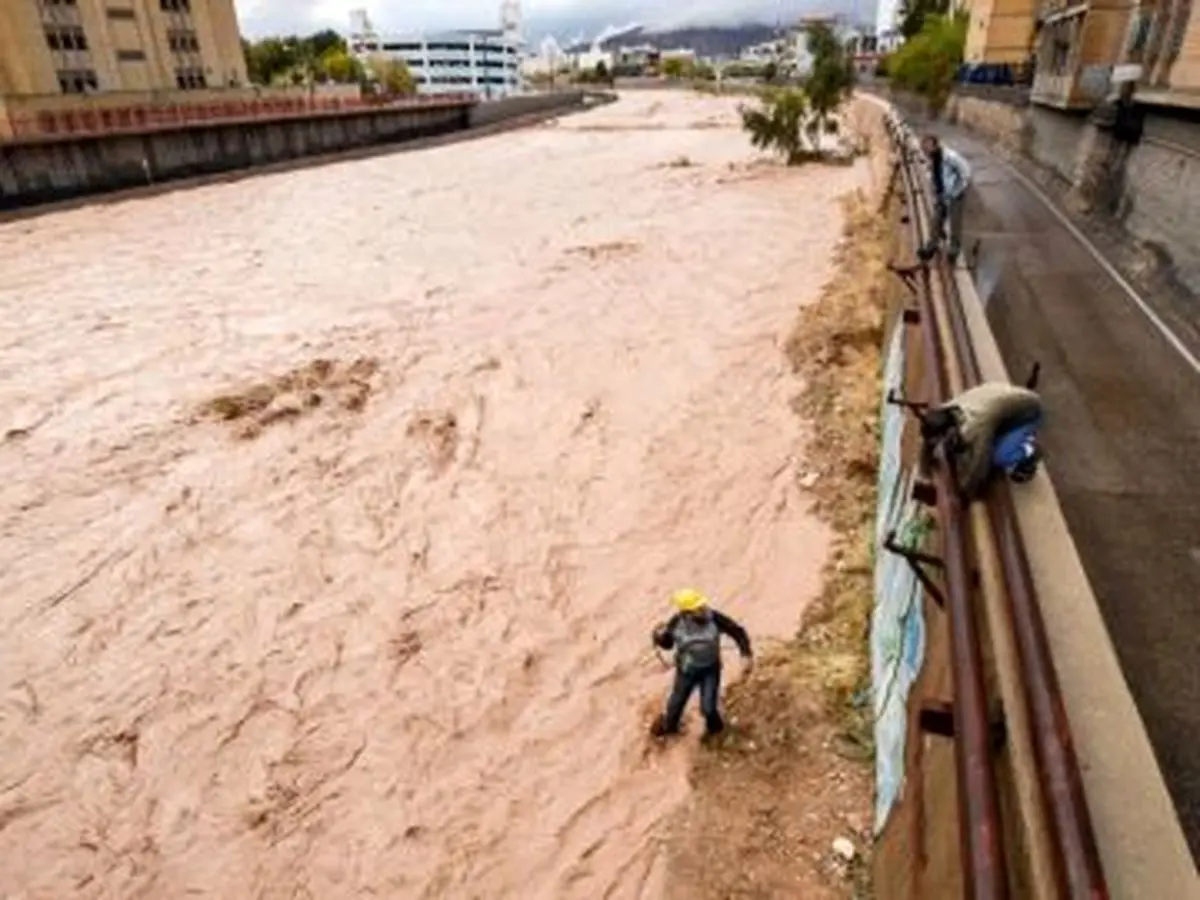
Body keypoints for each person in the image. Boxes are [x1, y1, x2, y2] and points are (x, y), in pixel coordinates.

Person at [649, 589, 753, 739]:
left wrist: (745, 654)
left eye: (702, 606)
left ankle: (716, 734)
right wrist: (660, 637)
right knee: (673, 709)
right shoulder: (676, 623)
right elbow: (668, 644)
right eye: (697, 609)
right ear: (686, 613)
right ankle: (669, 730)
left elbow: (737, 631)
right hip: (686, 672)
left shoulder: (714, 618)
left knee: (708, 709)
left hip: (710, 671)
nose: (702, 610)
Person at [919, 381, 1043, 501]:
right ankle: (1005, 433)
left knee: (998, 457)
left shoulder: (976, 424)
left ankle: (1029, 450)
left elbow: (979, 464)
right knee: (970, 444)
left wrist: (964, 494)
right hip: (1000, 401)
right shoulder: (946, 410)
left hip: (1029, 411)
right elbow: (930, 439)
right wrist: (924, 473)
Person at [917, 133, 972, 264]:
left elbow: (966, 172)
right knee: (936, 221)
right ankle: (931, 247)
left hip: (955, 194)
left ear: (935, 145)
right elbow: (933, 176)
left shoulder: (950, 157)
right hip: (941, 194)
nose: (924, 150)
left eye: (927, 147)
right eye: (923, 148)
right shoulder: (931, 158)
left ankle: (954, 251)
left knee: (955, 223)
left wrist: (957, 190)